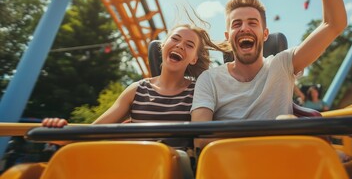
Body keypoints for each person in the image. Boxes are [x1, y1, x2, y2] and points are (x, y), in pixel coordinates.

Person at [191, 0, 347, 149]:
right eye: (237, 24)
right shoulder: (209, 79)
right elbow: (201, 138)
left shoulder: (282, 65)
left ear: (265, 34)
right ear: (228, 36)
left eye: (252, 23)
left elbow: (334, 24)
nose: (245, 28)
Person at [42, 22, 226, 148]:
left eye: (189, 45)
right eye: (175, 39)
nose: (179, 46)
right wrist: (60, 130)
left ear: (194, 58)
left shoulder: (199, 93)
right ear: (163, 45)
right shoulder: (137, 90)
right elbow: (93, 131)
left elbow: (205, 139)